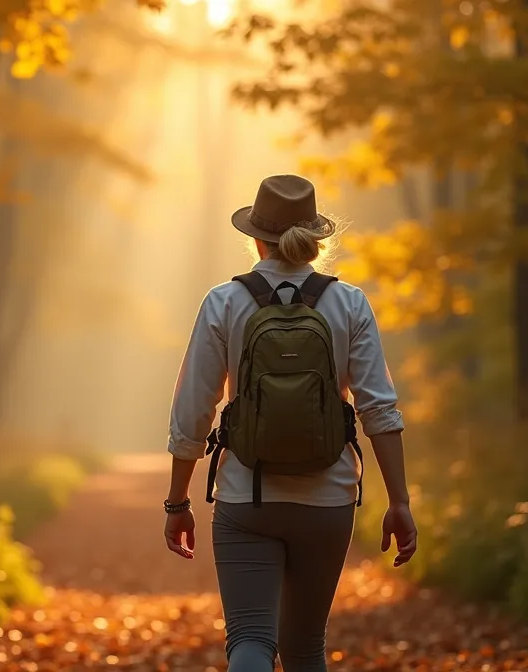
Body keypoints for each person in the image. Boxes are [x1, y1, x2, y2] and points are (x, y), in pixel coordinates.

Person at [161, 174, 417, 672]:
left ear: (256, 237)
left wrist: (177, 501)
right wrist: (399, 501)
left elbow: (193, 410)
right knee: (304, 648)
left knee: (252, 642)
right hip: (328, 500)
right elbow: (379, 411)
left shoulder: (224, 302)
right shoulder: (349, 303)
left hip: (245, 498)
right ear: (316, 238)